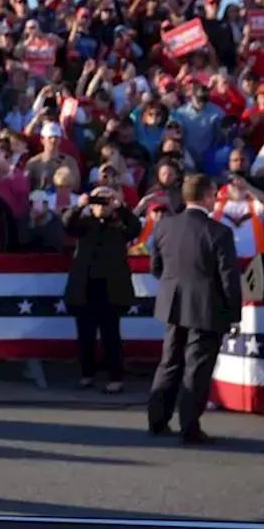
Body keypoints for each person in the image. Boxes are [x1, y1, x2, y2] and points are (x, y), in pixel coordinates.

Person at [147, 173, 243, 444]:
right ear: (205, 196)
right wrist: (233, 315)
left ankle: (157, 419)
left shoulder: (164, 226)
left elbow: (155, 267)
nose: (217, 198)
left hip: (172, 304)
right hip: (206, 306)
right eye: (214, 193)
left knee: (169, 361)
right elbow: (229, 279)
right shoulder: (219, 232)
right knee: (197, 368)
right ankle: (189, 426)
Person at [61, 186, 141, 394]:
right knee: (85, 335)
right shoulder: (84, 225)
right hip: (85, 287)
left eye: (106, 201)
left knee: (111, 335)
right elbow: (66, 224)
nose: (102, 206)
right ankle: (87, 374)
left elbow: (135, 229)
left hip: (111, 289)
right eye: (99, 201)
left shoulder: (119, 227)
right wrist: (80, 206)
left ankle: (115, 377)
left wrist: (120, 208)